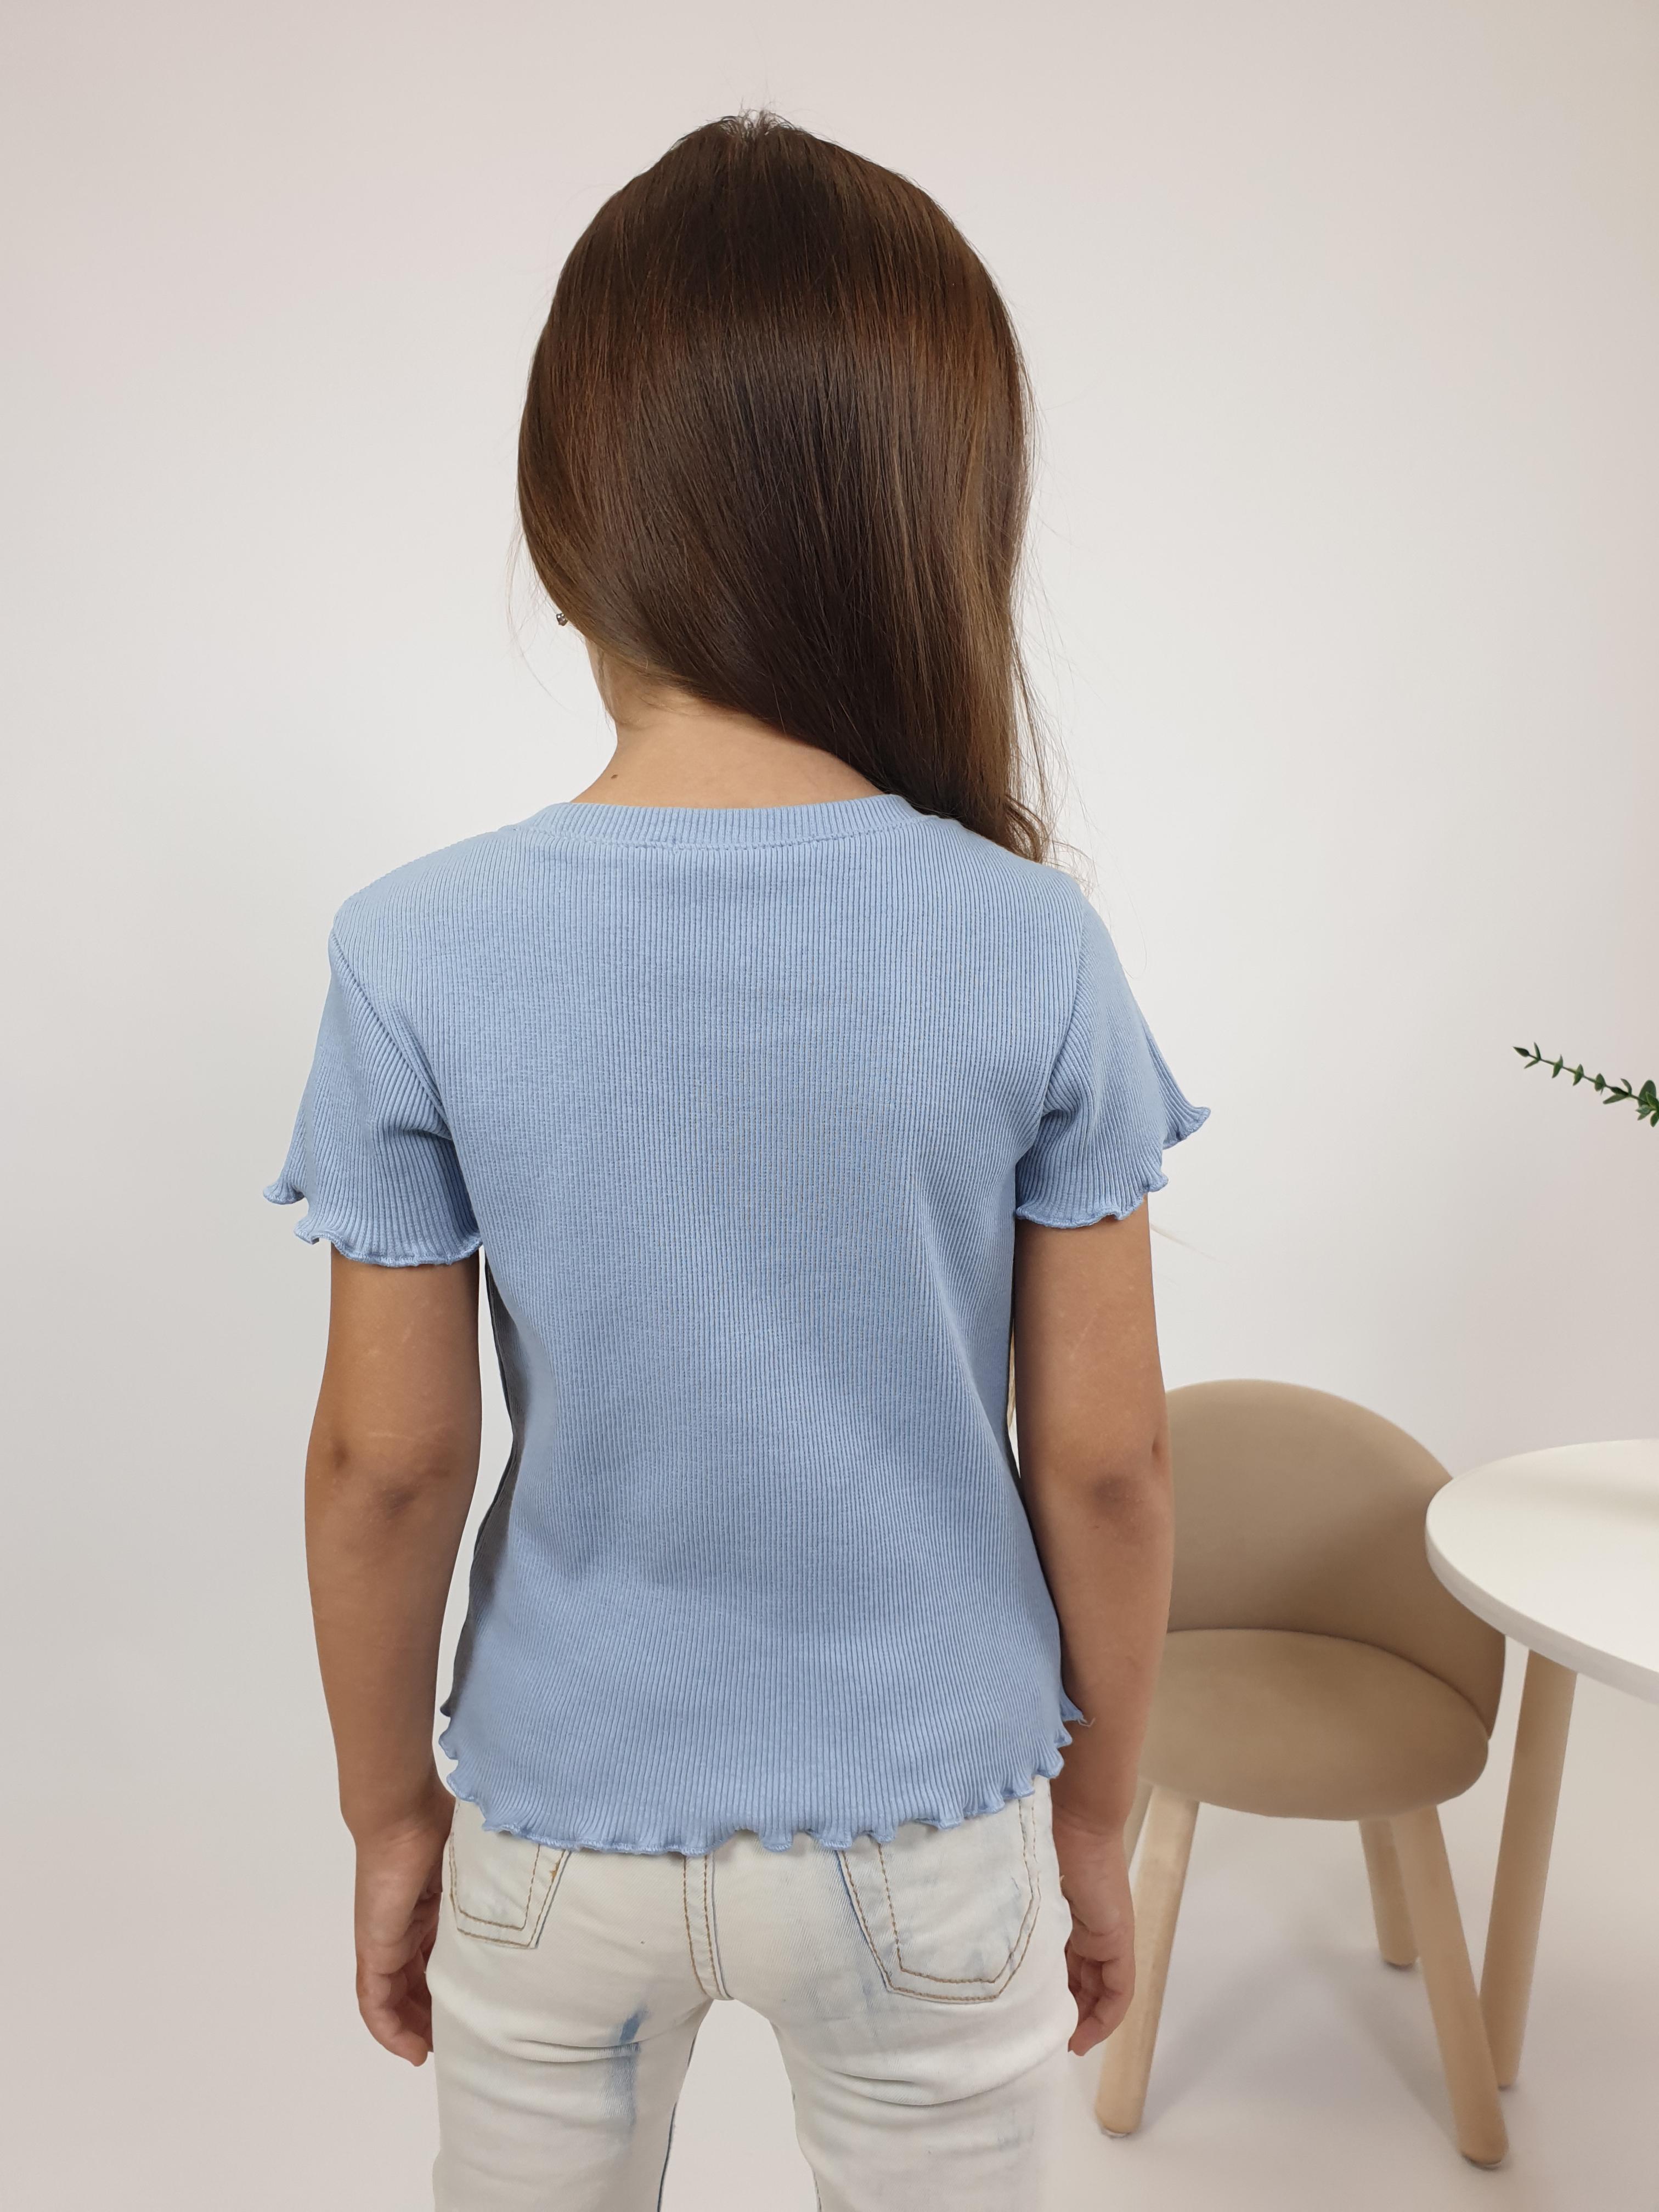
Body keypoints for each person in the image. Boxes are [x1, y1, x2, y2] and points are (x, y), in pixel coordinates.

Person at [266, 110, 1206, 2212]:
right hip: (931, 1819)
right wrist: (1096, 1814)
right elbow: (1112, 1465)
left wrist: (390, 1815)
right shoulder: (1028, 945)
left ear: (565, 523)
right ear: (940, 518)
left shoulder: (416, 950)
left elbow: (386, 1468)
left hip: (557, 1824)